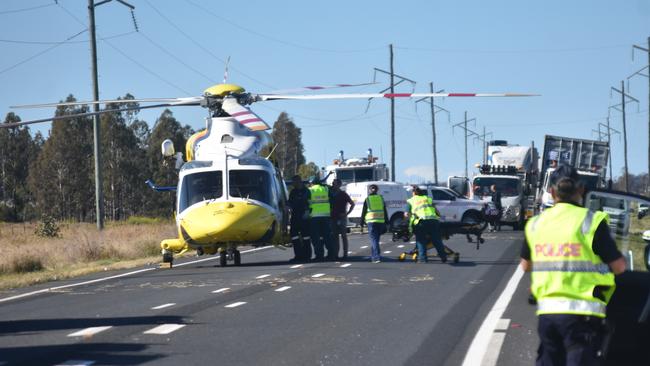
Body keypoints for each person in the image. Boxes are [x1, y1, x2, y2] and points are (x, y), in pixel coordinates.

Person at [520, 164, 626, 366]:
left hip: (548, 315)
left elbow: (525, 266)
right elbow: (619, 267)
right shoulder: (591, 222)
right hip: (582, 317)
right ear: (581, 190)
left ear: (551, 192)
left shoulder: (535, 223)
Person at [405, 186, 448, 263]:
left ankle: (423, 259)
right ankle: (443, 257)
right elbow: (437, 212)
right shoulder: (428, 199)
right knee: (437, 240)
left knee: (421, 241)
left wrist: (409, 221)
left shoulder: (411, 201)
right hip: (433, 221)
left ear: (414, 193)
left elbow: (406, 214)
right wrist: (439, 219)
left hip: (421, 223)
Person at [308, 176, 335, 261]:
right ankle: (331, 255)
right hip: (326, 216)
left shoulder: (310, 190)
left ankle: (319, 256)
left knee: (316, 237)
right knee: (327, 236)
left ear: (312, 182)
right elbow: (332, 200)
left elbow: (305, 202)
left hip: (314, 217)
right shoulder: (326, 189)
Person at [360, 184, 388, 263]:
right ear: (377, 190)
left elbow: (364, 211)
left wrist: (361, 223)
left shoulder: (368, 199)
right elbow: (384, 210)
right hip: (380, 221)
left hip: (371, 221)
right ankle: (374, 255)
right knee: (376, 240)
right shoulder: (381, 198)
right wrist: (387, 222)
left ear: (369, 190)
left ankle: (376, 257)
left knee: (374, 240)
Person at [288, 175, 311, 262]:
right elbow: (290, 202)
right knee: (294, 236)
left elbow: (309, 203)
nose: (293, 184)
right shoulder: (293, 192)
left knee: (306, 237)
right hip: (295, 216)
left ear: (298, 181)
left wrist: (307, 212)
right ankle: (298, 255)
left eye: (294, 182)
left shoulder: (306, 191)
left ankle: (307, 255)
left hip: (304, 216)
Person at [330, 178, 355, 259]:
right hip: (333, 218)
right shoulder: (330, 194)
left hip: (341, 218)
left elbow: (352, 204)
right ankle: (335, 254)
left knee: (344, 236)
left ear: (339, 185)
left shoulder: (343, 194)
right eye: (333, 183)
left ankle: (345, 254)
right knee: (334, 236)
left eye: (335, 183)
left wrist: (346, 214)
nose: (333, 185)